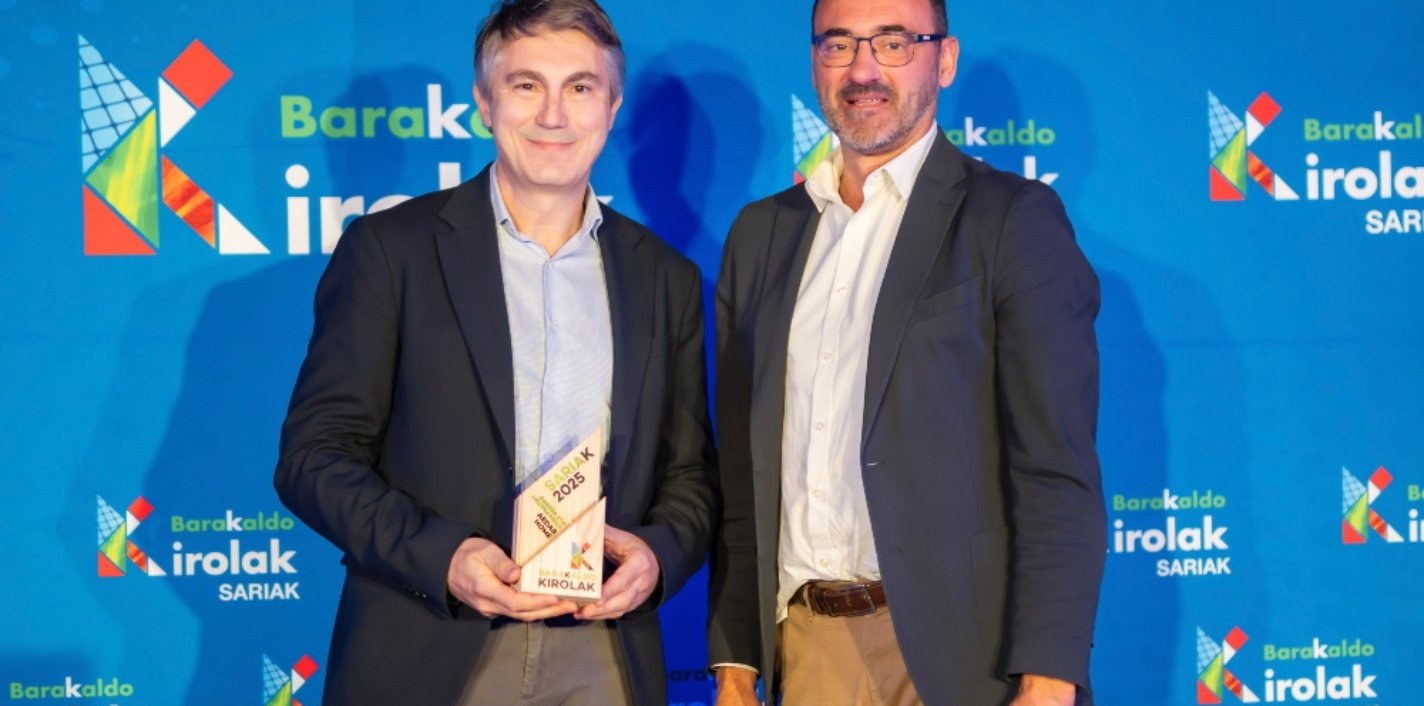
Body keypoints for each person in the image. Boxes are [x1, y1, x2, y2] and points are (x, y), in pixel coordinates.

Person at [274, 1, 716, 704]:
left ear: (612, 105)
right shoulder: (392, 252)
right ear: (483, 102)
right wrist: (443, 556)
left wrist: (657, 558)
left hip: (604, 655)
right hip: (432, 645)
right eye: (525, 85)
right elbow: (314, 457)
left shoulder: (666, 278)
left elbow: (690, 472)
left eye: (579, 87)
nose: (553, 115)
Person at [707, 0, 1105, 704]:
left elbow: (1055, 472)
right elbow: (744, 476)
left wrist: (1049, 676)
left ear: (943, 59)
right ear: (814, 62)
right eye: (839, 45)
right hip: (809, 650)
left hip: (965, 657)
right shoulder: (760, 236)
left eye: (893, 42)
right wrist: (736, 664)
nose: (863, 69)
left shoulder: (1011, 220)